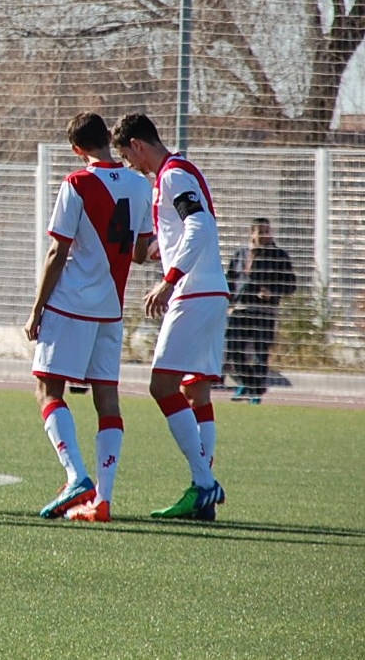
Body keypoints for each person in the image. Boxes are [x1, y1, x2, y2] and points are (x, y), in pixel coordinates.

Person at [23, 112, 154, 522]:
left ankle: (76, 475)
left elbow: (57, 252)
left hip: (70, 305)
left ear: (78, 149)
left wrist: (36, 309)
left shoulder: (76, 184)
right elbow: (138, 250)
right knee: (107, 397)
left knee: (47, 389)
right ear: (108, 140)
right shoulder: (140, 184)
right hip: (111, 308)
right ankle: (104, 500)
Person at [113, 113, 228, 520]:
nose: (131, 166)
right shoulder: (177, 173)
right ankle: (203, 494)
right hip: (210, 291)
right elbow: (188, 231)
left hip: (194, 293)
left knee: (162, 386)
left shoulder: (174, 174)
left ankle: (204, 484)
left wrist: (169, 280)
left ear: (138, 145)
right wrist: (163, 250)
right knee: (196, 391)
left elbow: (200, 227)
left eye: (128, 157)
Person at [226, 218, 296, 403]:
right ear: (252, 233)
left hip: (265, 312)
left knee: (260, 353)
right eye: (261, 232)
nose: (266, 235)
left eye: (268, 231)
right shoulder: (240, 254)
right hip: (240, 310)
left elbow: (290, 285)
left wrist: (273, 293)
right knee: (234, 351)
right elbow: (230, 280)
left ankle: (254, 393)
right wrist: (228, 303)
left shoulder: (278, 256)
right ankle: (250, 384)